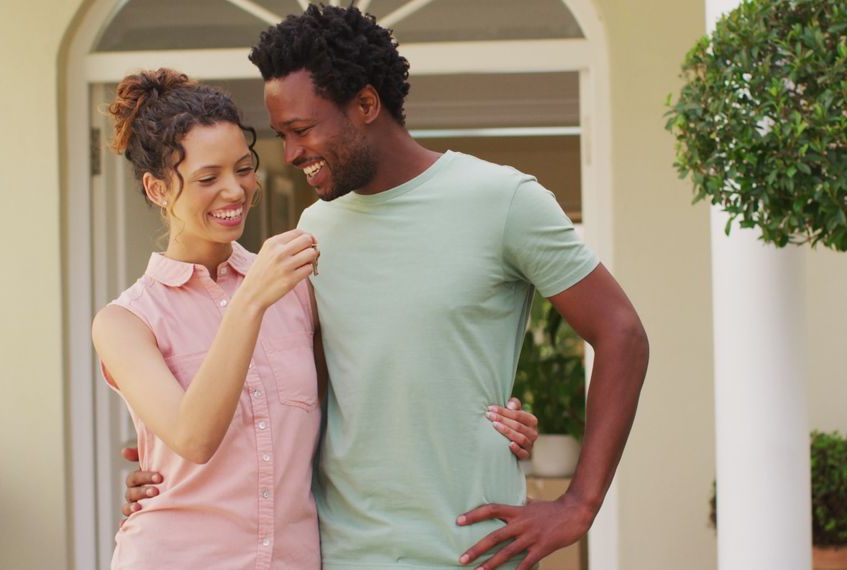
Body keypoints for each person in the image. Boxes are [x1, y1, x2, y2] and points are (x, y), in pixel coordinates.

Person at [127, 5, 649, 569]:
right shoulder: (313, 232)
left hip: (471, 550)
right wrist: (175, 482)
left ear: (367, 105)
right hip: (341, 553)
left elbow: (621, 332)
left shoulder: (504, 201)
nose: (292, 154)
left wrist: (579, 503)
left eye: (301, 130)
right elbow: (316, 394)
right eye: (280, 136)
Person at [99, 69, 538, 569]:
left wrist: (486, 425)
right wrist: (250, 302)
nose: (235, 191)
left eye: (243, 169)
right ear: (157, 190)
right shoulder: (125, 321)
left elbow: (359, 400)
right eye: (208, 177)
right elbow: (194, 438)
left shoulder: (297, 286)